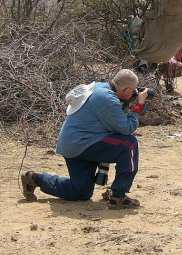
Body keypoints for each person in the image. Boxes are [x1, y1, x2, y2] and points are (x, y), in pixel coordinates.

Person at [20, 69, 148, 209]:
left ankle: (35, 179)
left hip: (71, 144)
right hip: (83, 143)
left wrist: (128, 100)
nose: (135, 93)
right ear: (126, 90)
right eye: (133, 91)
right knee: (129, 144)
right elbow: (126, 128)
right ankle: (118, 195)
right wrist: (139, 106)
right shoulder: (107, 98)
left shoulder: (99, 88)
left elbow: (111, 121)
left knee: (80, 192)